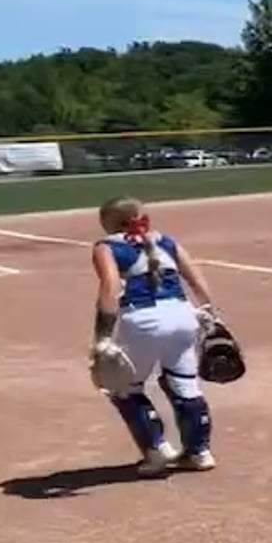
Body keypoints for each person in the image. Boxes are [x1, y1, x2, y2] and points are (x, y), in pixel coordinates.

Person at [90, 197, 220, 475]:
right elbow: (195, 277)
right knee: (185, 385)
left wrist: (102, 336)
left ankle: (157, 451)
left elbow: (110, 288)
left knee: (124, 388)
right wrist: (211, 312)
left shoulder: (107, 246)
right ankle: (199, 452)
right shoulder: (166, 241)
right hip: (183, 316)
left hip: (142, 321)